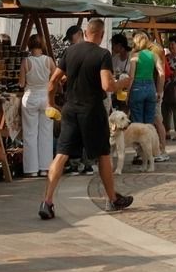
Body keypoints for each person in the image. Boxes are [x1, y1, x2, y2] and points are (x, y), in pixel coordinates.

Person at [39, 18, 132, 219]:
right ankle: (113, 199)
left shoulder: (69, 51)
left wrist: (51, 103)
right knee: (103, 154)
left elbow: (53, 80)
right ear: (100, 34)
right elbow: (107, 85)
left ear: (86, 32)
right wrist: (121, 84)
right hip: (92, 110)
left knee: (61, 155)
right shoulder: (102, 54)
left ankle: (47, 201)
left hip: (70, 109)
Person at [127, 32, 169, 161]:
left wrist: (128, 93)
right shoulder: (153, 55)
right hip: (151, 88)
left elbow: (131, 76)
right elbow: (161, 74)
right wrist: (158, 91)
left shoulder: (134, 56)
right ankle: (151, 153)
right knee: (149, 124)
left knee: (138, 123)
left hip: (137, 89)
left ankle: (140, 154)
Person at [19, 35, 55, 177]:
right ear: (43, 45)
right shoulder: (49, 61)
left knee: (30, 134)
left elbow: (21, 83)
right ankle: (45, 168)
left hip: (30, 97)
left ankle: (31, 169)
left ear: (29, 45)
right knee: (46, 133)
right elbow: (55, 78)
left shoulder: (26, 62)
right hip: (45, 97)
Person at [109, 33, 132, 112]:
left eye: (113, 45)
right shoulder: (115, 58)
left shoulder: (132, 57)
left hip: (129, 91)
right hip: (117, 92)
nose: (112, 48)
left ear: (119, 45)